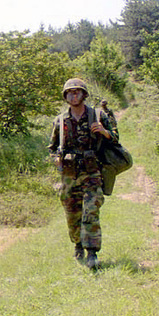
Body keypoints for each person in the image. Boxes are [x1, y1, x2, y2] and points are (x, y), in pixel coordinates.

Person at [48, 78, 118, 269]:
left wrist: (104, 132)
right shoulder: (60, 120)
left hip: (92, 173)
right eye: (70, 92)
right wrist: (55, 158)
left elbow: (115, 139)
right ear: (65, 96)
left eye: (77, 91)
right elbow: (52, 147)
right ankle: (78, 245)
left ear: (84, 94)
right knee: (72, 214)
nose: (74, 95)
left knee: (91, 211)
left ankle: (92, 252)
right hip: (69, 176)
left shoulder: (98, 115)